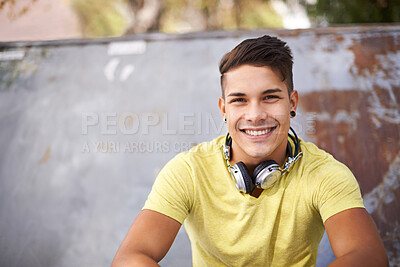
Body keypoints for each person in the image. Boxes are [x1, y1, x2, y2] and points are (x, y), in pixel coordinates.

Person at [112, 35, 388, 266]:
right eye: (240, 100)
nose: (255, 115)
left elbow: (368, 257)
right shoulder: (188, 170)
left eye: (269, 97)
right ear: (224, 109)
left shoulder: (325, 174)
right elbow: (130, 257)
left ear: (292, 102)